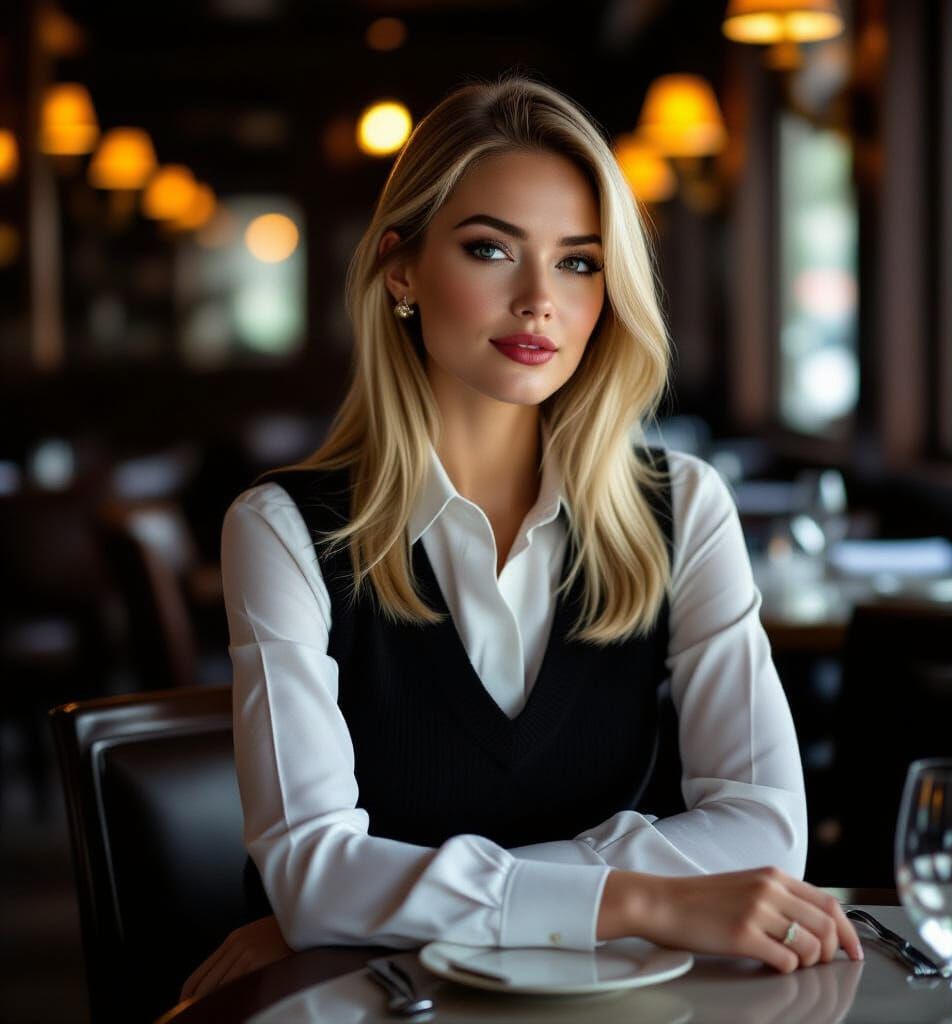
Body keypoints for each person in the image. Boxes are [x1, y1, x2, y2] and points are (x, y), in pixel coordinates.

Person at [181, 74, 861, 1003]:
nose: (540, 299)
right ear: (401, 269)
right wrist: (646, 898)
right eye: (492, 249)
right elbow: (311, 873)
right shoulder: (283, 530)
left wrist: (390, 895)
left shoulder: (685, 507)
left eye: (580, 262)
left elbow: (766, 828)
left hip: (629, 1007)